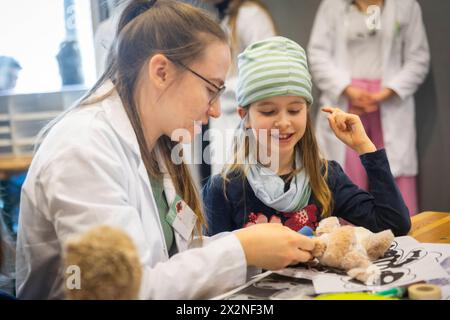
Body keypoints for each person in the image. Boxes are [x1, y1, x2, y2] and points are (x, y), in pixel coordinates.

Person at [15, 0, 314, 300]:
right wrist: (241, 250)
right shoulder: (83, 149)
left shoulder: (156, 146)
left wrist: (253, 247)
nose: (213, 111)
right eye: (211, 89)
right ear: (161, 72)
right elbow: (122, 291)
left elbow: (171, 259)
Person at [202, 36, 411, 238]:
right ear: (244, 116)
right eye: (268, 112)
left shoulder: (326, 178)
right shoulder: (223, 190)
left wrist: (365, 147)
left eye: (294, 111)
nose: (284, 122)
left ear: (306, 111)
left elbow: (393, 225)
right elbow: (216, 266)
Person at [308, 0, 430, 215]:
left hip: (388, 102)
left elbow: (418, 58)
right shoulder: (332, 6)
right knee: (344, 178)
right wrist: (348, 89)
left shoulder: (406, 6)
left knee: (396, 173)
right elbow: (317, 54)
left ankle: (405, 237)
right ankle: (346, 238)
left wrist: (387, 92)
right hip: (347, 101)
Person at [202, 0, 277, 175]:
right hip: (221, 117)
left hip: (238, 117)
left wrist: (213, 88)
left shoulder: (251, 16)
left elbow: (263, 74)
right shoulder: (223, 17)